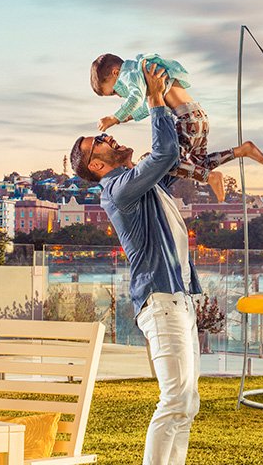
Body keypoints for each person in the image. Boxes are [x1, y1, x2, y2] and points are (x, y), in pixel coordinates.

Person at [70, 62, 202, 465]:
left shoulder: (134, 181)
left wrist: (178, 109)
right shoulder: (118, 190)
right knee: (175, 398)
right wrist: (154, 99)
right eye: (100, 142)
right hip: (161, 303)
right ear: (97, 165)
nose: (108, 137)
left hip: (177, 299)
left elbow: (172, 156)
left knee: (186, 402)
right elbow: (162, 153)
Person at [91, 52, 263, 202]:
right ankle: (241, 151)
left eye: (114, 91)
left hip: (186, 119)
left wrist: (114, 118)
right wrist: (126, 118)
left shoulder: (130, 75)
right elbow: (148, 106)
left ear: (116, 73)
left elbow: (136, 99)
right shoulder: (142, 74)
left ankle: (211, 177)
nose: (118, 95)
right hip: (199, 116)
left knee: (170, 164)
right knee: (198, 163)